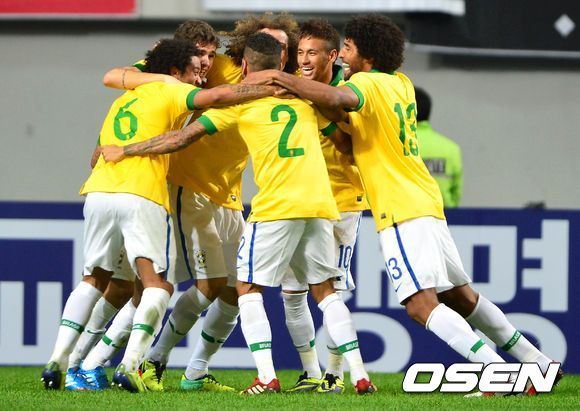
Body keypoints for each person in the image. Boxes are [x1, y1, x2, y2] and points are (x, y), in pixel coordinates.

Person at [243, 13, 560, 396]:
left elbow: (339, 97)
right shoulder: (401, 83)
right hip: (425, 200)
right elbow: (346, 126)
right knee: (460, 296)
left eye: (348, 48)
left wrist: (278, 77)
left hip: (399, 209)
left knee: (419, 305)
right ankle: (537, 361)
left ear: (367, 54)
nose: (344, 56)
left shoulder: (366, 83)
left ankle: (495, 371)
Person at [101, 32, 376, 395]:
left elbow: (181, 138)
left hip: (276, 206)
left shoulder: (238, 105)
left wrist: (126, 150)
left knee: (245, 288)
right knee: (326, 292)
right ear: (282, 63)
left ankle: (266, 377)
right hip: (321, 205)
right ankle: (359, 376)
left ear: (245, 65)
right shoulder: (303, 99)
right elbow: (344, 143)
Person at [44, 38, 278, 393]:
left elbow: (101, 135)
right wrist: (271, 86)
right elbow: (215, 98)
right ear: (174, 70)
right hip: (145, 194)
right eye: (194, 67)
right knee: (155, 286)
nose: (201, 73)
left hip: (99, 192)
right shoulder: (172, 89)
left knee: (97, 280)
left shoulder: (125, 98)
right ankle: (128, 366)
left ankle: (61, 361)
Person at [279, 18, 368, 394]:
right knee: (291, 292)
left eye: (312, 53)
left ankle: (335, 373)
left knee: (333, 290)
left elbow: (353, 146)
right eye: (300, 52)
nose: (303, 60)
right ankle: (310, 371)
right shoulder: (291, 87)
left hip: (342, 201)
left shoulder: (350, 90)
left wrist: (320, 112)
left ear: (332, 56)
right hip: (298, 201)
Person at [414, 87, 463, 208]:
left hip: (406, 215)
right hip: (443, 214)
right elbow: (456, 193)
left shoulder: (397, 145)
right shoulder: (451, 149)